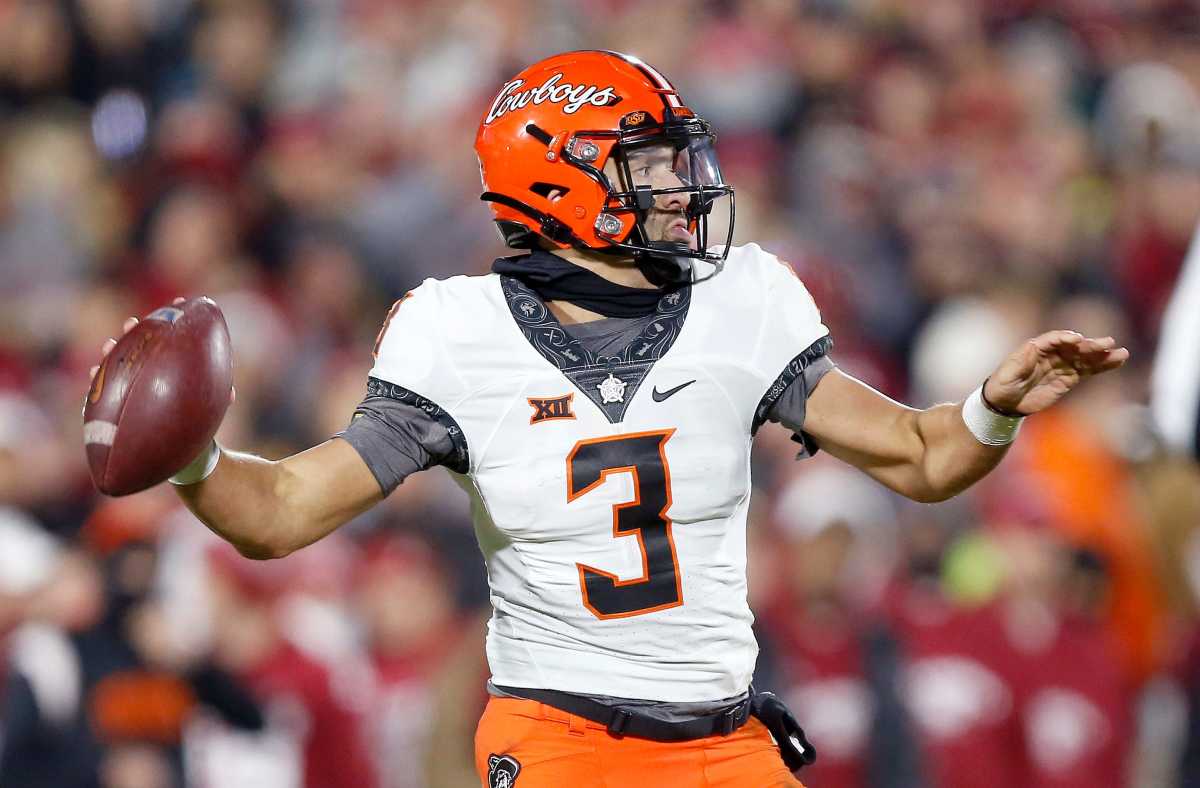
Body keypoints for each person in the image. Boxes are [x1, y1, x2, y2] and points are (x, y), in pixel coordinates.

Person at [92, 50, 1129, 787]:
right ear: (563, 182)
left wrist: (993, 405)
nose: (684, 183)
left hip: (727, 743)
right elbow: (278, 510)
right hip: (562, 742)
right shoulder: (459, 332)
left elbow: (921, 454)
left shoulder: (744, 300)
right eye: (650, 160)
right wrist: (192, 457)